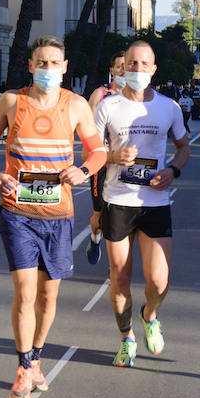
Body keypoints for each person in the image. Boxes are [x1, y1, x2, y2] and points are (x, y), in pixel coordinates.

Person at [0, 36, 107, 398]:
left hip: (59, 215)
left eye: (54, 63)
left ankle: (35, 358)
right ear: (30, 66)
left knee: (48, 298)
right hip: (17, 212)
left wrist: (82, 170)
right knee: (26, 292)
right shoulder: (12, 102)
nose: (48, 69)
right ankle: (22, 367)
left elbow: (98, 151)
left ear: (65, 68)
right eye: (41, 63)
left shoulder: (77, 106)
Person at [93, 41, 190, 367]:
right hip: (117, 201)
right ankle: (126, 339)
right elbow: (88, 154)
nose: (136, 70)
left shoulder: (169, 107)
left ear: (153, 69)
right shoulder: (108, 106)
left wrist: (172, 170)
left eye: (142, 65)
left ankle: (150, 315)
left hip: (155, 201)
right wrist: (112, 156)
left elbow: (183, 147)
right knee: (120, 278)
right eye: (130, 64)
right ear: (123, 68)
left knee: (159, 281)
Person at [84, 52, 127, 265]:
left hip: (126, 164)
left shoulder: (135, 96)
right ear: (111, 70)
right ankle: (95, 238)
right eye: (118, 66)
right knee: (99, 217)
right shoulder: (100, 95)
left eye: (126, 66)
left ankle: (116, 265)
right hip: (102, 163)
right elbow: (88, 130)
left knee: (122, 217)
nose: (123, 70)